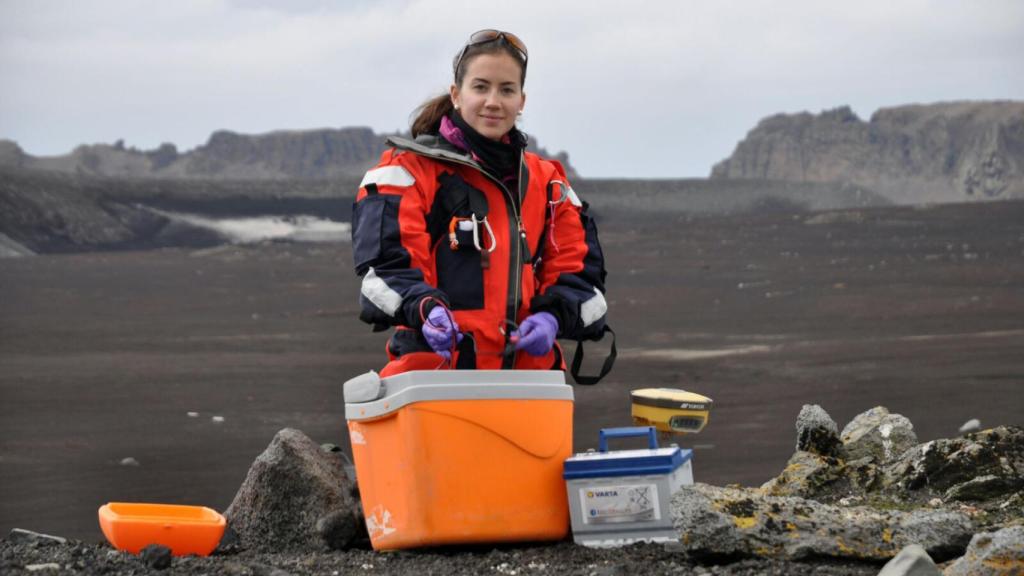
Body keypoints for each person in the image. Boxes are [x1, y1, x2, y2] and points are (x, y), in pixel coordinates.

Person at [351, 29, 609, 379]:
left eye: (506, 89)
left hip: (530, 385)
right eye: (481, 86)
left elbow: (582, 277)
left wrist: (553, 317)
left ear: (522, 101)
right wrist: (425, 310)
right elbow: (384, 272)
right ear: (457, 95)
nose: (493, 101)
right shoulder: (406, 173)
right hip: (436, 377)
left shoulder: (548, 183)